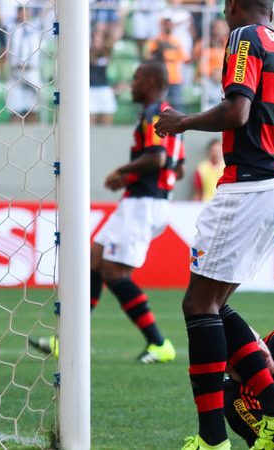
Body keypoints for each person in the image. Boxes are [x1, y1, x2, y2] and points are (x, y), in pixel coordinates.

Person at [153, 0, 274, 446]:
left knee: (198, 306)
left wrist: (181, 122)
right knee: (215, 305)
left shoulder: (244, 38)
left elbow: (237, 112)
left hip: (251, 184)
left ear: (232, 6)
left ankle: (212, 440)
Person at [30, 61, 185, 364]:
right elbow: (176, 168)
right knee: (96, 258)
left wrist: (122, 170)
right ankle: (68, 341)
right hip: (142, 199)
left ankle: (159, 344)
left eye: (137, 78)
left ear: (152, 81)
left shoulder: (156, 113)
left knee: (115, 272)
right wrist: (129, 178)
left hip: (144, 204)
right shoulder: (167, 116)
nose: (132, 83)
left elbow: (157, 159)